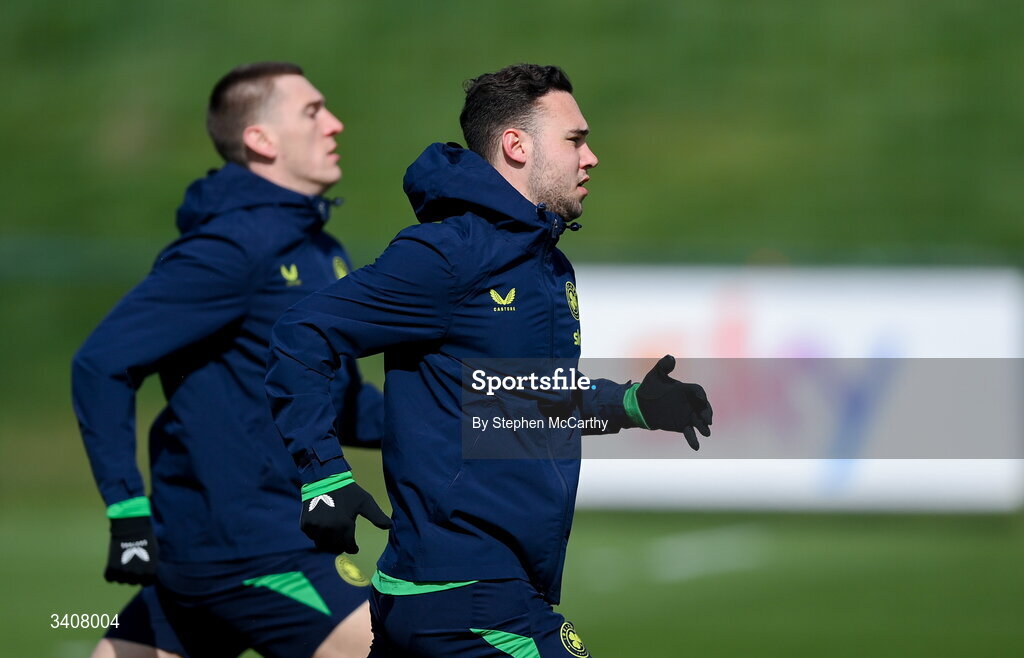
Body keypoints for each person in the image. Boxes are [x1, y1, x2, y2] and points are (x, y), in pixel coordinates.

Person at [265, 63, 713, 656]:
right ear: (516, 146)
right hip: (469, 596)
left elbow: (513, 401)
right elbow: (302, 331)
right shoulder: (449, 252)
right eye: (575, 140)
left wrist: (631, 403)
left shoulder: (547, 266)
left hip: (458, 593)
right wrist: (322, 472)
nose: (592, 157)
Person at [72, 62, 386, 658]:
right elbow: (100, 363)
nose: (336, 124)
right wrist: (126, 507)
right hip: (254, 552)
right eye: (313, 112)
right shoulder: (230, 248)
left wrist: (485, 419)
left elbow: (340, 404)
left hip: (227, 554)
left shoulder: (321, 249)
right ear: (260, 140)